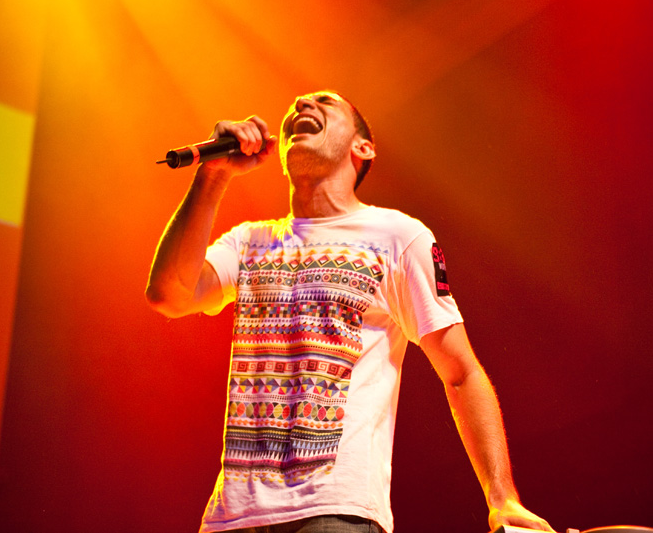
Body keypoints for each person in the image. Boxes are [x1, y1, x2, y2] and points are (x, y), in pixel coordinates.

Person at [146, 91, 554, 533]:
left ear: (364, 148)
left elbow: (461, 372)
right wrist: (213, 174)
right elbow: (170, 294)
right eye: (295, 107)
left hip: (335, 512)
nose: (301, 104)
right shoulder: (248, 242)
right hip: (231, 518)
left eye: (325, 102)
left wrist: (502, 497)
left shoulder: (397, 236)